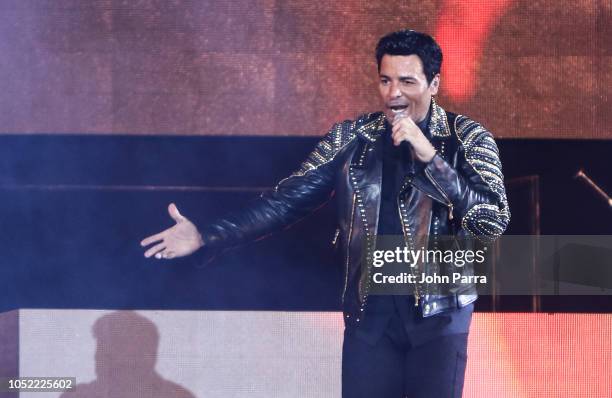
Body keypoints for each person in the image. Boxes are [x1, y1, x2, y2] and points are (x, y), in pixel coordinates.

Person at [141, 29, 509, 398]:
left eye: (407, 82)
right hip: (370, 317)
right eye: (385, 80)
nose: (394, 94)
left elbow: (490, 221)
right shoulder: (352, 138)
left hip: (439, 316)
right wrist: (208, 235)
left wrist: (430, 157)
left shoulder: (468, 139)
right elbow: (286, 201)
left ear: (434, 84)